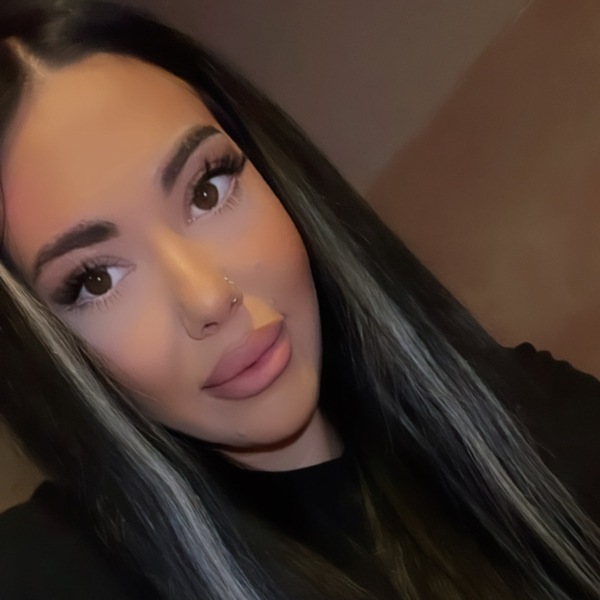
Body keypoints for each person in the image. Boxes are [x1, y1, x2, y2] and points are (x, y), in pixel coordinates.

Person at [0, 2, 598, 599]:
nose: (209, 298)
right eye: (97, 280)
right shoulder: (49, 572)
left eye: (207, 189)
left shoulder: (533, 421)